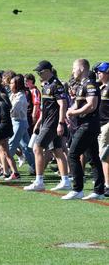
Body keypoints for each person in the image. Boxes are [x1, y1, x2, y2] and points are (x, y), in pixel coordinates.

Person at [24, 61, 72, 192]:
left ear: (48, 71)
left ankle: (39, 181)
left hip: (52, 123)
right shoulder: (46, 85)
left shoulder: (56, 85)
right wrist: (39, 122)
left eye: (40, 71)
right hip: (47, 122)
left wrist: (61, 123)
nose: (38, 74)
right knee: (57, 150)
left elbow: (63, 104)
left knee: (37, 147)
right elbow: (46, 107)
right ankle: (65, 180)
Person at [62, 59, 105, 200]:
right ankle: (98, 191)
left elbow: (92, 105)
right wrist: (70, 111)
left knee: (73, 154)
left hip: (88, 125)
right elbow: (78, 103)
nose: (73, 70)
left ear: (81, 68)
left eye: (74, 68)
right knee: (93, 158)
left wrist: (74, 113)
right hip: (85, 125)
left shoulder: (90, 84)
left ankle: (77, 189)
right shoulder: (82, 85)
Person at [8, 76, 36, 175]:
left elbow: (13, 110)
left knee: (11, 145)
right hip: (16, 122)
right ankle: (35, 166)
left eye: (11, 83)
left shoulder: (20, 96)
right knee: (26, 147)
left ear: (17, 85)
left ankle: (4, 167)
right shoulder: (13, 95)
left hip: (19, 122)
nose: (9, 84)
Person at [94, 62, 109, 197]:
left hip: (106, 124)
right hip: (100, 125)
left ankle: (107, 185)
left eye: (101, 71)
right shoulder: (101, 86)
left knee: (103, 155)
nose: (98, 73)